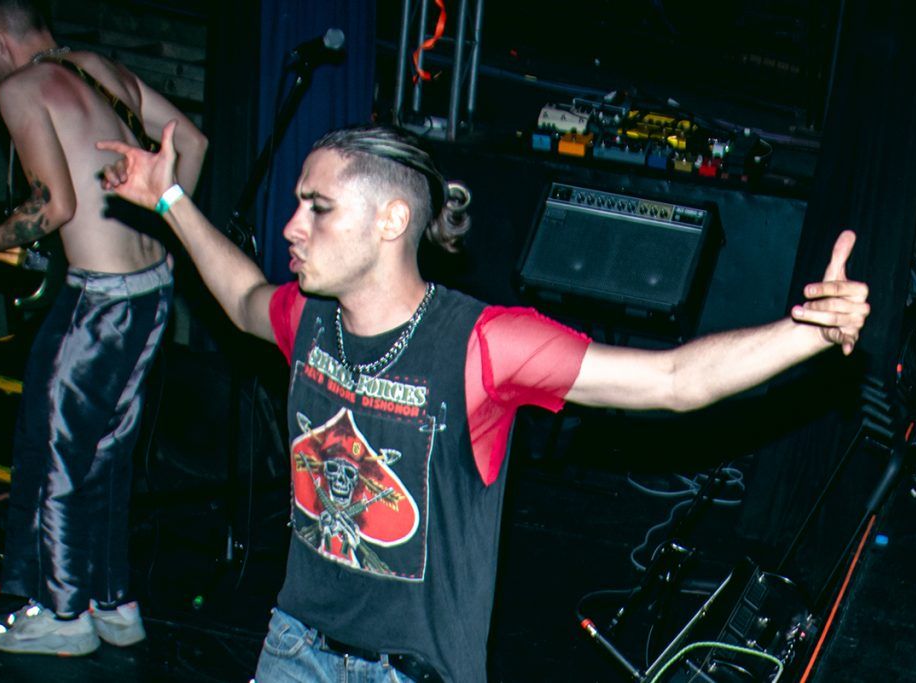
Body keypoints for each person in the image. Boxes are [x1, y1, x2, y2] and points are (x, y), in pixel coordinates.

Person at [98, 123, 869, 682]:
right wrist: (167, 197)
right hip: (295, 648)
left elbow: (670, 380)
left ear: (391, 220)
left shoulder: (482, 344)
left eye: (318, 206)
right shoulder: (308, 318)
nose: (291, 226)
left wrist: (802, 333)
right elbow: (240, 296)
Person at [0, 0, 207, 656]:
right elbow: (192, 142)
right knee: (108, 452)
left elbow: (53, 206)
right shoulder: (97, 67)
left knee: (54, 450)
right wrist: (166, 222)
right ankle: (113, 602)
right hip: (153, 289)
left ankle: (62, 614)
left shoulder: (21, 88)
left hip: (100, 300)